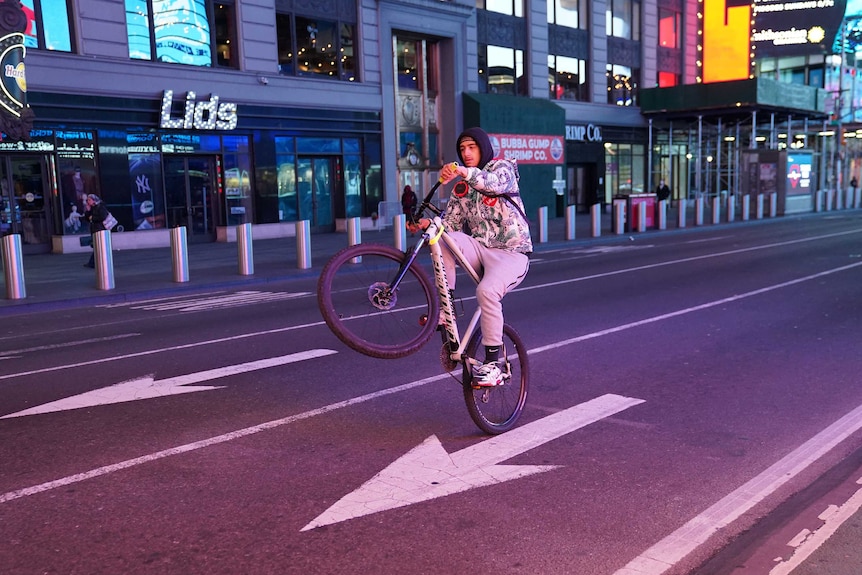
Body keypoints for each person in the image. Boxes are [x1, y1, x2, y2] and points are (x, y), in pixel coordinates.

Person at [409, 127, 532, 387]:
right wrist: (424, 224)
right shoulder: (462, 189)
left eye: (471, 147)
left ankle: (493, 365)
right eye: (462, 149)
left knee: (486, 292)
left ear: (483, 148)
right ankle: (446, 308)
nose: (466, 153)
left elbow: (491, 184)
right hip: (480, 250)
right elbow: (451, 224)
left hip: (512, 254)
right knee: (440, 234)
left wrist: (463, 172)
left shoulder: (503, 169)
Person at [81, 194, 108, 268]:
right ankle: (94, 262)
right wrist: (88, 211)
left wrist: (92, 218)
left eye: (89, 200)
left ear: (94, 200)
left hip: (100, 229)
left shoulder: (100, 207)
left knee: (97, 247)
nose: (88, 202)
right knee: (96, 247)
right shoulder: (92, 208)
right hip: (94, 229)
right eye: (87, 200)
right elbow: (87, 218)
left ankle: (93, 263)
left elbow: (103, 216)